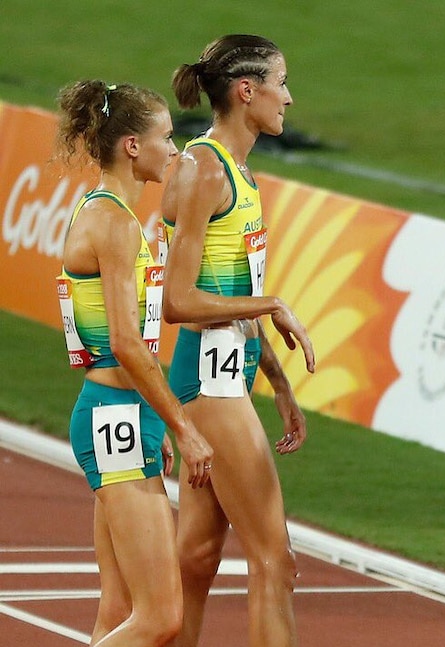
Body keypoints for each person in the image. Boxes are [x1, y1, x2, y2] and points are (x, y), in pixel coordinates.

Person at [160, 34, 315, 647]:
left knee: (195, 563)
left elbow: (232, 294)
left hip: (226, 379)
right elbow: (180, 303)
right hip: (209, 381)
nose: (289, 97)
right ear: (247, 91)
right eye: (281, 82)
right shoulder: (202, 168)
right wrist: (273, 303)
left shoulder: (236, 171)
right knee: (275, 563)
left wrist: (277, 384)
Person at [55, 80, 214, 647]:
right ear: (130, 146)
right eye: (166, 138)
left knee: (117, 612)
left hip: (121, 415)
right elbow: (125, 343)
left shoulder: (110, 213)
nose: (175, 151)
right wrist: (184, 426)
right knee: (159, 619)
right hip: (112, 416)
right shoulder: (116, 224)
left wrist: (153, 418)